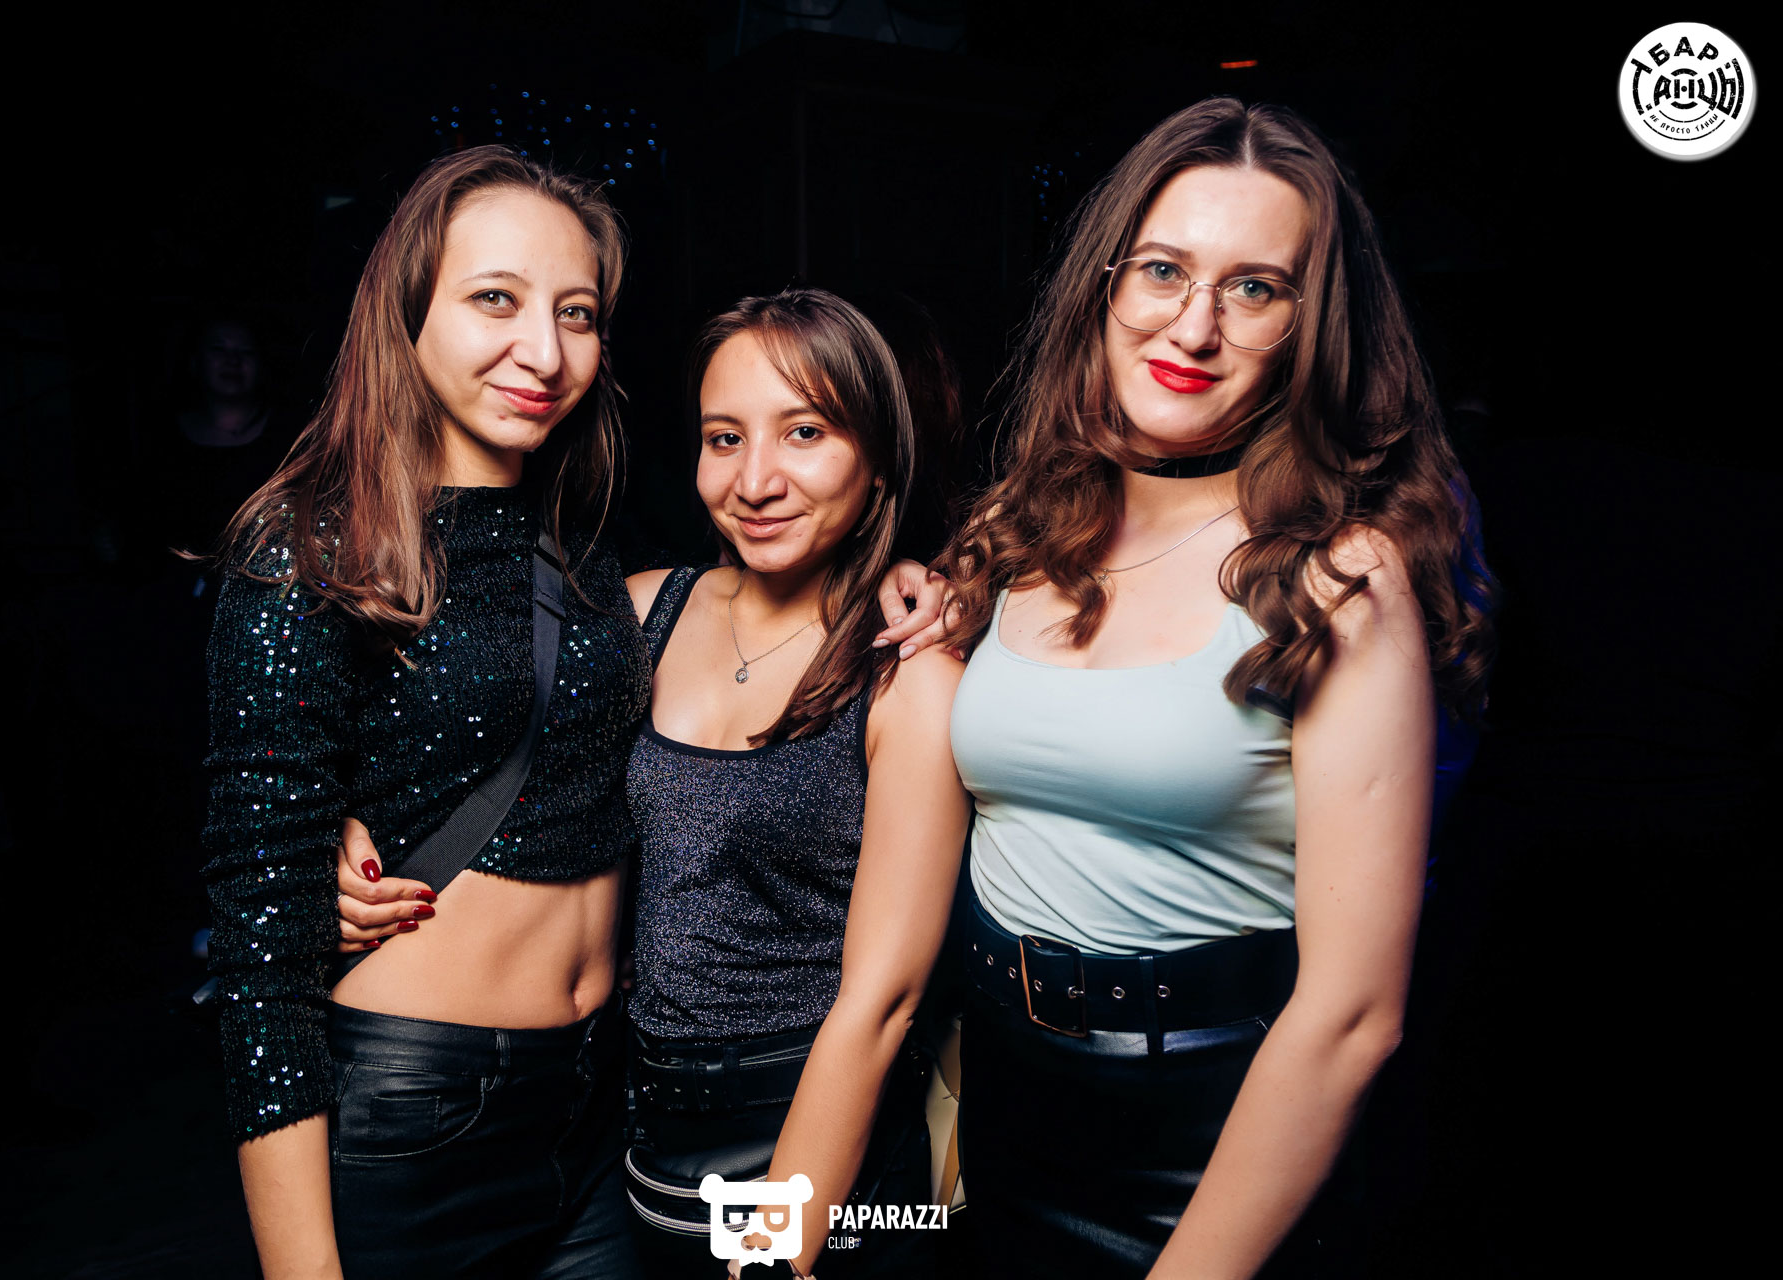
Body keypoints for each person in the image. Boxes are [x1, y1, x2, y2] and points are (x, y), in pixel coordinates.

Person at [203, 147, 948, 1279]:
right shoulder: (309, 548)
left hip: (604, 1117)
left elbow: (756, 609)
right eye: (495, 299)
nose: (544, 351)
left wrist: (922, 577)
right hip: (415, 1107)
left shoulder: (595, 555)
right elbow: (262, 962)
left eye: (577, 313)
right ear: (407, 310)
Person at [933, 97, 1494, 1277]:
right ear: (1104, 285)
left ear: (1309, 328)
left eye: (1254, 288)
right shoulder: (1022, 526)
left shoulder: (1342, 578)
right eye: (1163, 270)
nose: (1193, 326)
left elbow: (1353, 1015)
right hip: (1003, 1109)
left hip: (1212, 1139)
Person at [339, 289, 972, 1279]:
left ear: (880, 458)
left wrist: (775, 1247)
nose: (755, 479)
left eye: (804, 432)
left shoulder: (909, 674)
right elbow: (456, 746)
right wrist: (350, 832)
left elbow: (883, 1003)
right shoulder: (642, 615)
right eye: (725, 437)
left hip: (811, 1144)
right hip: (637, 1144)